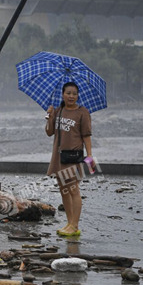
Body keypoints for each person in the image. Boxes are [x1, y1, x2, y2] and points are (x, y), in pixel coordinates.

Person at [45, 81, 93, 237]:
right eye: (68, 93)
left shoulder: (82, 112)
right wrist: (49, 116)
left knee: (73, 189)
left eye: (74, 93)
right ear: (63, 94)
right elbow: (49, 132)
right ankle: (69, 222)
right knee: (63, 189)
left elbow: (86, 135)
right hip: (58, 157)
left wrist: (90, 156)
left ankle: (75, 225)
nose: (71, 96)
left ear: (78, 95)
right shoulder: (58, 110)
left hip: (72, 156)